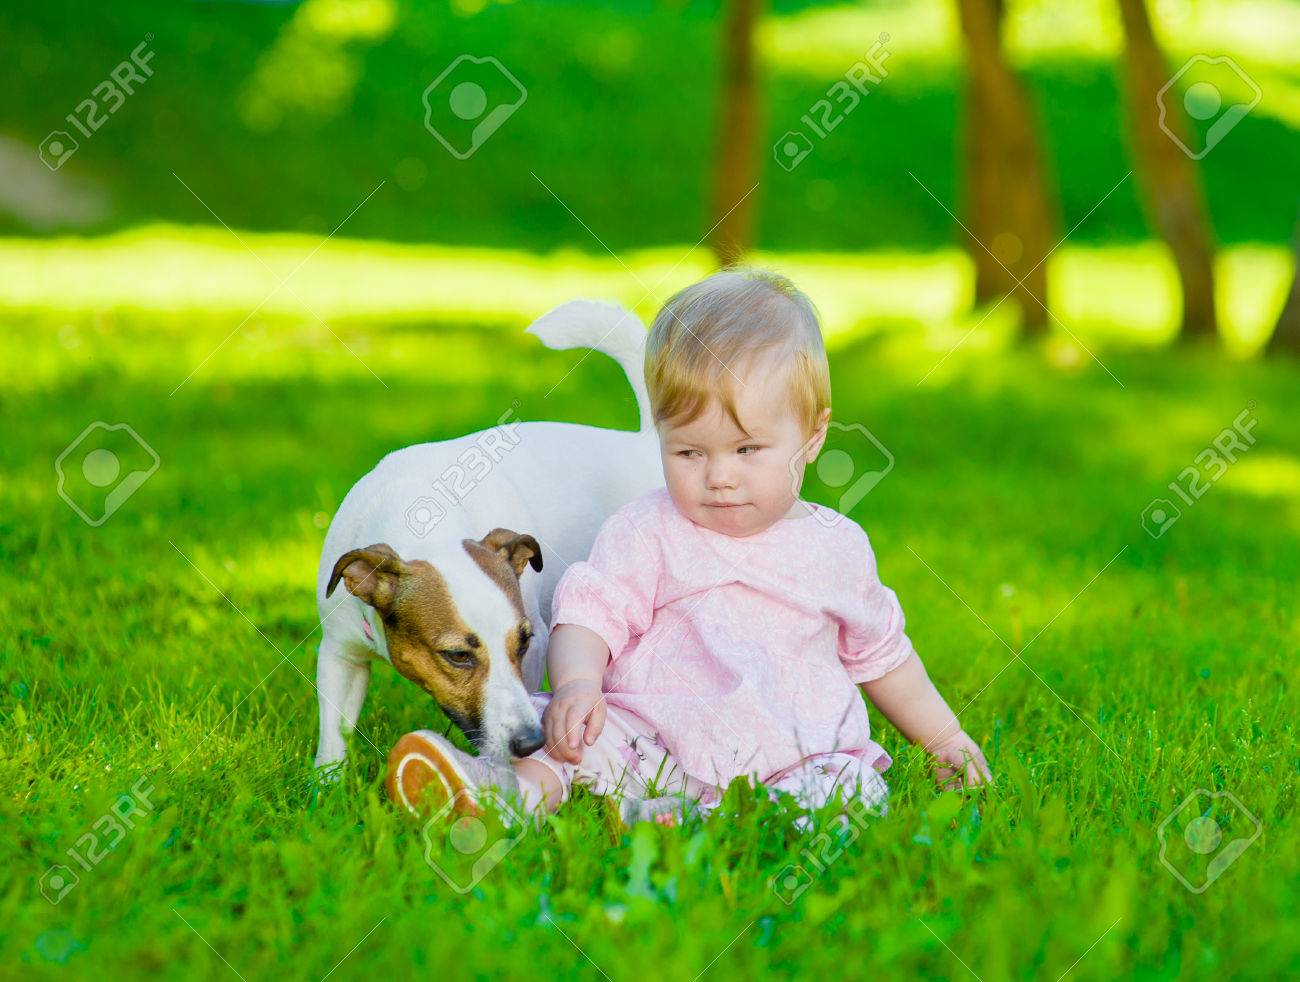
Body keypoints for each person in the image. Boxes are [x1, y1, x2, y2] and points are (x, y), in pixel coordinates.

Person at [388, 268, 992, 830]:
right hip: (654, 733)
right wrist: (577, 685)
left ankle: (736, 821)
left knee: (850, 786)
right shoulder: (644, 529)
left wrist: (945, 741)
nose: (718, 476)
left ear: (813, 437)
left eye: (747, 450)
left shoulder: (837, 549)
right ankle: (498, 791)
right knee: (567, 737)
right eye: (689, 453)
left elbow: (882, 657)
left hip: (793, 748)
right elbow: (588, 617)